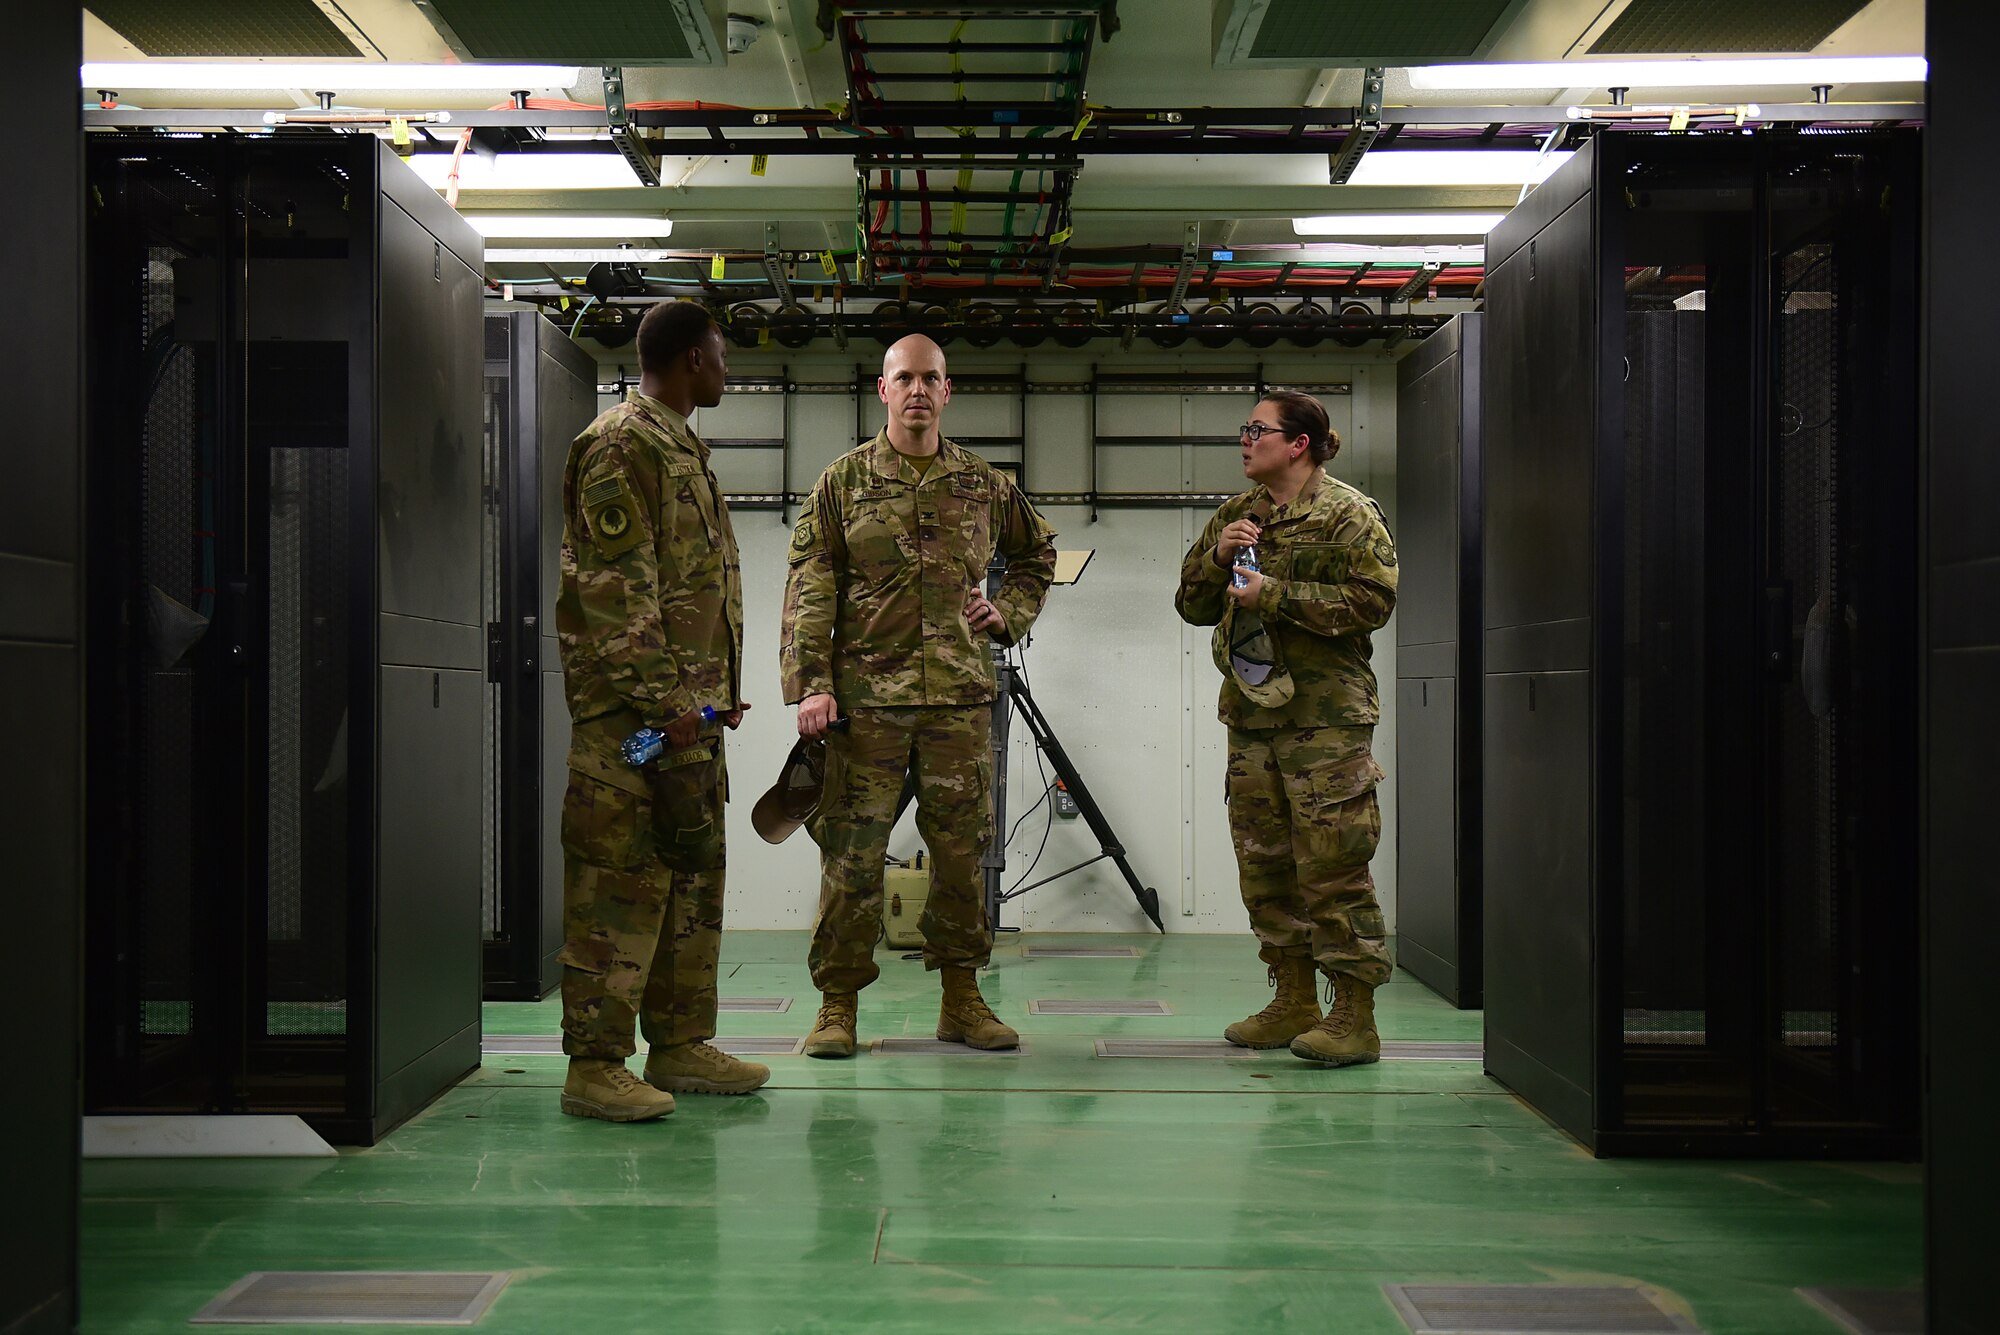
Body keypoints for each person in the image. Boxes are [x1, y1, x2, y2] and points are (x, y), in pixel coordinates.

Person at [781, 334, 1058, 1058]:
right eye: (903, 377)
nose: (916, 390)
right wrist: (812, 683)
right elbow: (811, 585)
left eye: (929, 378)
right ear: (883, 390)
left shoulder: (983, 483)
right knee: (852, 855)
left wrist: (1010, 613)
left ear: (947, 390)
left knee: (964, 855)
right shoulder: (842, 483)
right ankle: (837, 1005)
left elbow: (1037, 554)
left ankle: (962, 1000)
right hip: (865, 706)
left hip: (959, 703)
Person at [552, 300, 766, 1121]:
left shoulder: (678, 445)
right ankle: (595, 1063)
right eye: (718, 354)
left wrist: (711, 701)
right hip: (632, 729)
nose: (726, 367)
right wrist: (672, 703)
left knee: (688, 881)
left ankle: (679, 1043)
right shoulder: (619, 445)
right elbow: (616, 593)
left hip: (687, 722)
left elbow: (688, 591)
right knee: (619, 885)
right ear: (688, 361)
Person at [1174, 390, 1398, 1066]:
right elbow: (1190, 603)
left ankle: (1353, 1015)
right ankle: (1294, 997)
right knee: (1265, 866)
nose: (1244, 440)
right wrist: (1217, 558)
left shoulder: (1347, 514)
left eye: (1257, 430)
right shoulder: (1237, 515)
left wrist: (1271, 593)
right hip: (1253, 720)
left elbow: (1374, 600)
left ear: (1298, 442)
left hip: (1325, 721)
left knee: (1333, 865)